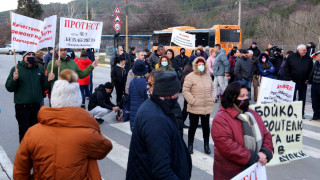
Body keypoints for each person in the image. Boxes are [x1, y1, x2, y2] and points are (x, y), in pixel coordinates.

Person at [13, 69, 113, 179]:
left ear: (55, 99)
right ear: (76, 100)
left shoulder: (33, 132)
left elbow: (20, 170)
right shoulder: (87, 134)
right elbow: (105, 148)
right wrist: (90, 124)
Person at [126, 71, 192, 180]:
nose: (178, 94)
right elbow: (162, 170)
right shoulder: (157, 119)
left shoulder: (157, 106)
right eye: (177, 91)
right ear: (170, 94)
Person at [211, 82, 273, 180]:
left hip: (253, 171)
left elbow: (266, 135)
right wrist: (254, 157)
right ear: (232, 98)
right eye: (242, 96)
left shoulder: (253, 114)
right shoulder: (221, 119)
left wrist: (265, 153)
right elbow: (228, 147)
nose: (245, 99)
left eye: (247, 96)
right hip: (231, 173)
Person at [6, 51, 54, 142]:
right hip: (22, 107)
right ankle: (24, 154)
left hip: (36, 106)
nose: (31, 56)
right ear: (24, 57)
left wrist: (49, 80)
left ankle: (34, 153)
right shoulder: (16, 69)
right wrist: (14, 79)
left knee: (35, 132)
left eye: (32, 55)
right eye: (28, 55)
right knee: (24, 132)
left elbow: (44, 87)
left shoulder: (38, 69)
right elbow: (9, 87)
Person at [183, 57, 214, 154]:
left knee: (206, 127)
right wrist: (192, 101)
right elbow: (185, 90)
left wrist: (211, 98)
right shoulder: (190, 76)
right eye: (199, 64)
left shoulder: (207, 76)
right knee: (193, 126)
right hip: (195, 106)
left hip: (206, 106)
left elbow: (212, 89)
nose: (201, 66)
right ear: (195, 65)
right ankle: (190, 145)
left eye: (202, 64)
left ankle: (206, 145)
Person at [283, 44, 313, 117]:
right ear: (298, 50)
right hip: (292, 81)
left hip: (303, 82)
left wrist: (308, 79)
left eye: (305, 50)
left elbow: (311, 70)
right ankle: (290, 112)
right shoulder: (291, 57)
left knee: (302, 98)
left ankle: (301, 113)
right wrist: (289, 79)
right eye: (304, 50)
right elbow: (286, 68)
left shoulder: (308, 58)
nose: (305, 51)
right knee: (291, 97)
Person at [129, 60, 149, 130]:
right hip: (143, 111)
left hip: (133, 111)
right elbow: (148, 98)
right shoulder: (145, 83)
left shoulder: (132, 82)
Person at [181, 55, 197, 128]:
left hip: (191, 90)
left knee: (190, 108)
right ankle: (181, 122)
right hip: (188, 91)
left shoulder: (191, 67)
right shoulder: (189, 68)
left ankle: (193, 122)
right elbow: (184, 81)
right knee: (186, 108)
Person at [309, 51, 320, 120]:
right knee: (314, 100)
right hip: (314, 84)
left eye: (318, 56)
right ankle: (316, 114)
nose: (316, 57)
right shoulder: (316, 63)